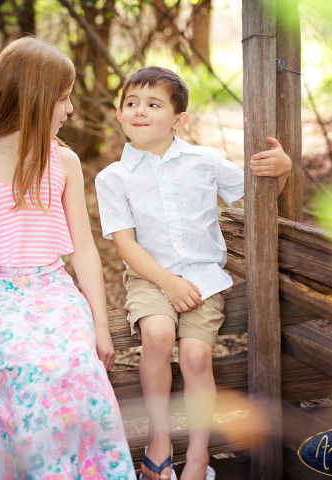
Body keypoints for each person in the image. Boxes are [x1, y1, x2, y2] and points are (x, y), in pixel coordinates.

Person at [0, 36, 137, 479]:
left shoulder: (64, 161)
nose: (70, 110)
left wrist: (100, 326)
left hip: (54, 287)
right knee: (29, 368)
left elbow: (85, 250)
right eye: (63, 99)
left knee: (79, 365)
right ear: (33, 99)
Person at [95, 67, 292, 480]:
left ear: (179, 119)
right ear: (119, 114)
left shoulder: (205, 161)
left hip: (205, 278)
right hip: (150, 278)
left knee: (197, 355)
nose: (140, 111)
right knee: (159, 334)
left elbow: (257, 197)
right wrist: (167, 282)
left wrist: (283, 169)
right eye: (131, 104)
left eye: (153, 104)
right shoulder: (113, 177)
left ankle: (199, 455)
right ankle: (160, 440)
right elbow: (125, 245)